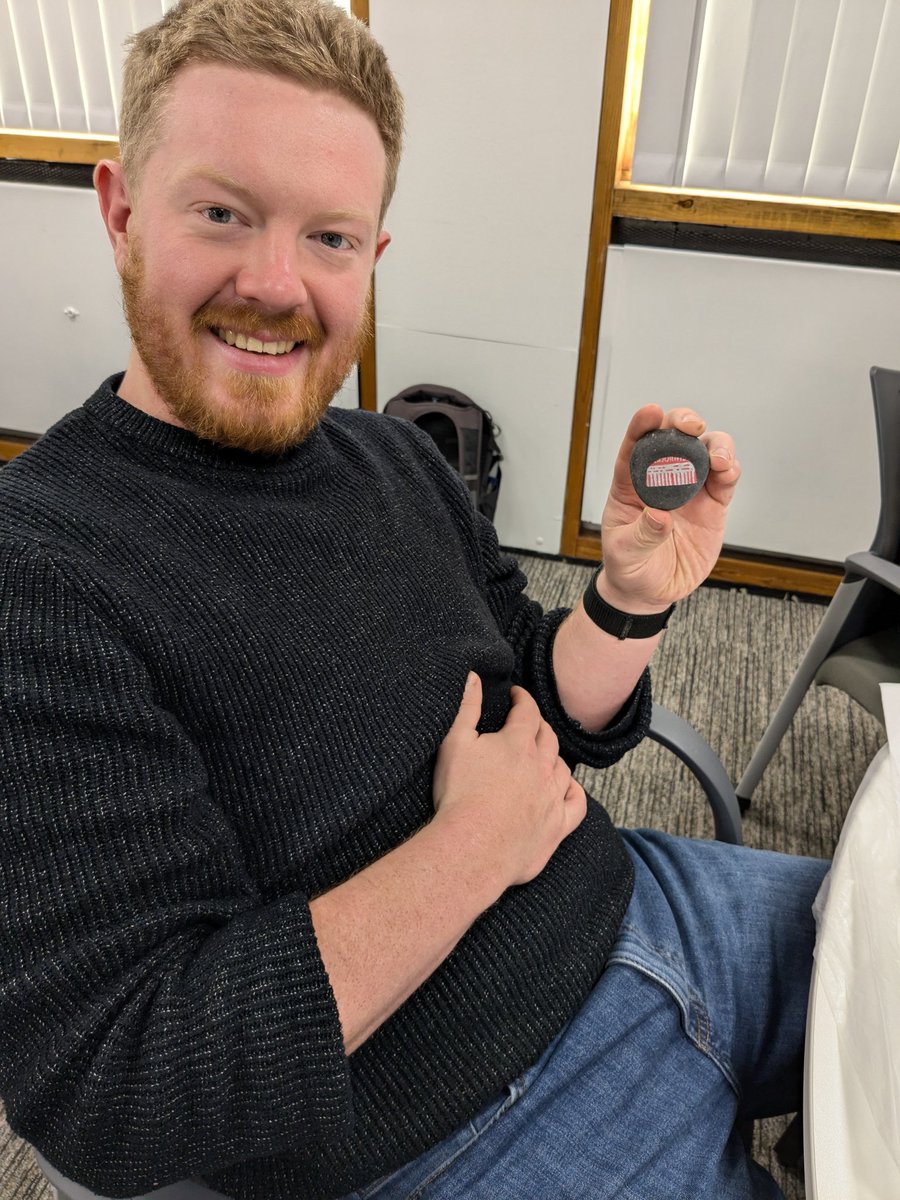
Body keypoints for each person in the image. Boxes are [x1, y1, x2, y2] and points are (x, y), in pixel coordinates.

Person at [0, 2, 827, 1198]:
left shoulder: (395, 460)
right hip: (472, 1131)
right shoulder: (41, 574)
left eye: (330, 237)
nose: (276, 283)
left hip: (646, 908)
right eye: (222, 213)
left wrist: (629, 598)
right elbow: (119, 1084)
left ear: (373, 255)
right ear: (122, 211)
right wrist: (474, 848)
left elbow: (538, 700)